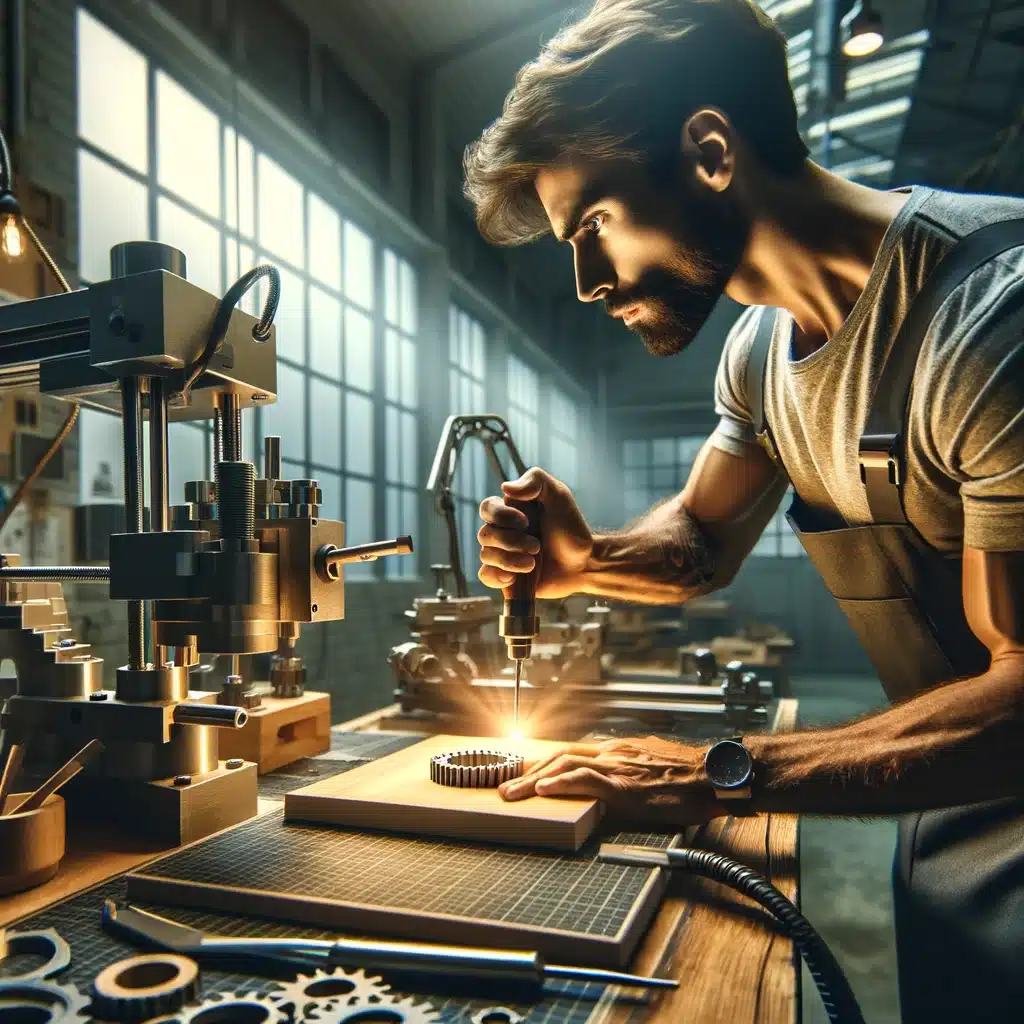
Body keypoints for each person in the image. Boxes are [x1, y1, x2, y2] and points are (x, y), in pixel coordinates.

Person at [462, 1, 1024, 1021]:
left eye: (593, 224)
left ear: (710, 151)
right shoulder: (760, 354)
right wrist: (582, 558)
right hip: (937, 808)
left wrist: (720, 770)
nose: (585, 282)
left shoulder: (989, 321)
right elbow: (703, 539)